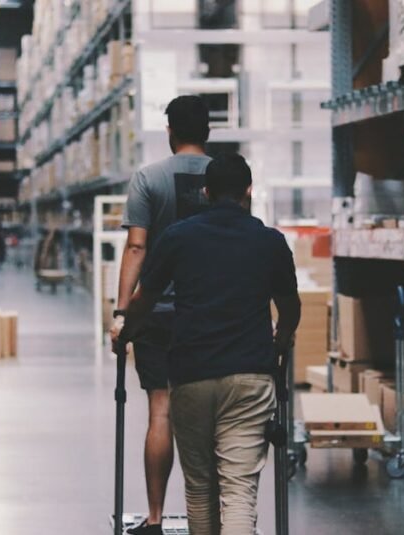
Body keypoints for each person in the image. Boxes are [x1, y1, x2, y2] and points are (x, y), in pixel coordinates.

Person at [120, 154, 302, 535]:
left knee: (201, 489)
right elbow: (290, 308)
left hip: (191, 376)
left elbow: (144, 300)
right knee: (238, 490)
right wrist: (280, 341)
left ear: (205, 192)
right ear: (248, 191)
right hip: (250, 377)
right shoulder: (271, 242)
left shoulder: (178, 237)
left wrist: (125, 331)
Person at [110, 95, 213, 535]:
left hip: (158, 312)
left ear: (169, 130)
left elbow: (137, 246)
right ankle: (206, 518)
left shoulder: (148, 178)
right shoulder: (226, 176)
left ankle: (154, 519)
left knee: (161, 411)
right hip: (209, 312)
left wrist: (120, 312)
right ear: (208, 131)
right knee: (209, 415)